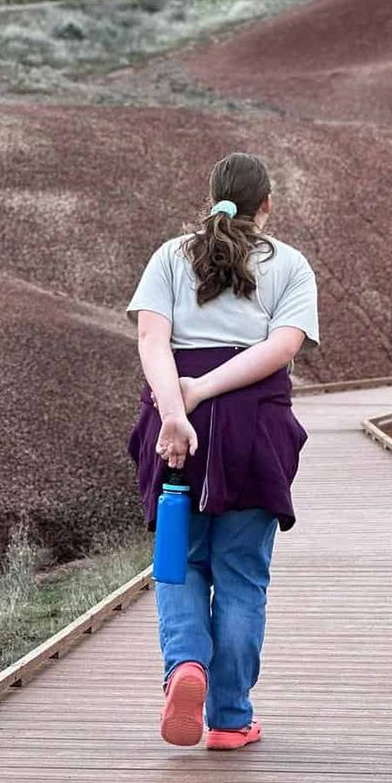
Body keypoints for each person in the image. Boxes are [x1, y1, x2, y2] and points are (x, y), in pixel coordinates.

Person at [126, 152, 319, 751]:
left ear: (211, 198)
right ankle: (231, 719)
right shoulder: (290, 265)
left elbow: (151, 339)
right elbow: (283, 348)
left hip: (176, 422)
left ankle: (186, 663)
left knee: (180, 558)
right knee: (241, 573)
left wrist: (175, 410)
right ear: (267, 205)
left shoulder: (170, 256)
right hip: (254, 427)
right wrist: (208, 390)